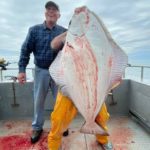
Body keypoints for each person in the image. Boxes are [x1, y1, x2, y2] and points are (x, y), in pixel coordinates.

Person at [48, 30, 113, 150]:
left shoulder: (93, 42)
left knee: (101, 117)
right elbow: (53, 45)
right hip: (68, 90)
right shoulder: (65, 42)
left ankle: (103, 140)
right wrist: (69, 32)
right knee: (58, 120)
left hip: (91, 90)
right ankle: (53, 146)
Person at [18, 1, 67, 143]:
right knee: (39, 101)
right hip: (41, 71)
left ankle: (62, 126)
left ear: (59, 15)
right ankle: (37, 127)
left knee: (61, 101)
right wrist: (22, 70)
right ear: (45, 13)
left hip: (59, 72)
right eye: (48, 9)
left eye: (54, 10)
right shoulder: (34, 30)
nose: (51, 11)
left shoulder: (64, 32)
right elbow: (25, 50)